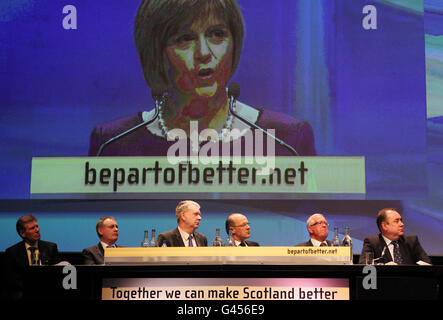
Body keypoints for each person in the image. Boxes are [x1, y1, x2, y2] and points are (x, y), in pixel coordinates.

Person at [88, 0, 316, 157]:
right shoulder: (113, 143)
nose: (204, 53)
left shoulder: (286, 139)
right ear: (155, 53)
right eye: (185, 39)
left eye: (217, 34)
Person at [3, 215, 60, 299]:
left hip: (47, 291)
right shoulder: (12, 252)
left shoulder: (51, 248)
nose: (37, 230)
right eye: (32, 228)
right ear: (23, 233)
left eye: (37, 226)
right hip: (24, 293)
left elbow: (58, 273)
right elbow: (12, 281)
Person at [358, 208, 432, 265]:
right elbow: (364, 264)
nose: (402, 224)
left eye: (401, 220)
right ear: (384, 226)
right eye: (396, 221)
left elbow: (426, 263)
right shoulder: (372, 242)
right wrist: (383, 266)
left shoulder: (411, 241)